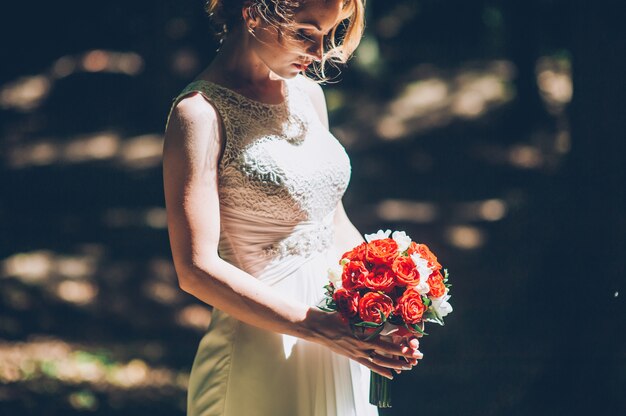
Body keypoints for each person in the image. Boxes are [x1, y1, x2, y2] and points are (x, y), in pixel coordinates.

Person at [162, 0, 422, 414]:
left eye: (328, 35)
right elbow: (195, 269)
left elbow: (332, 221)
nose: (319, 54)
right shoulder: (199, 114)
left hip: (336, 338)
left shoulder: (310, 97)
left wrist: (387, 300)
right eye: (306, 33)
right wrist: (317, 327)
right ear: (254, 13)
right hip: (262, 348)